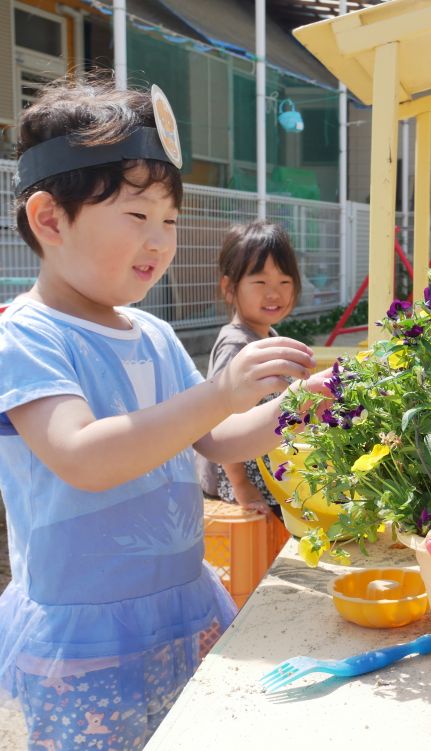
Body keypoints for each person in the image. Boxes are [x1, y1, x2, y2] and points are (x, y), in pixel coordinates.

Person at [0, 77, 319, 747]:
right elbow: (83, 455)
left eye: (169, 219)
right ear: (50, 219)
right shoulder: (26, 334)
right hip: (85, 634)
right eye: (137, 216)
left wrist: (301, 405)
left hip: (183, 604)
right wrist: (218, 391)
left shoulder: (154, 334)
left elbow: (219, 438)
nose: (161, 240)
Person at [198, 221, 301, 516]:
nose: (274, 294)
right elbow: (220, 417)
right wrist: (241, 483)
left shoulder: (267, 335)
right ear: (230, 289)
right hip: (239, 478)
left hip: (263, 469)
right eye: (260, 283)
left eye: (284, 282)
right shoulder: (236, 345)